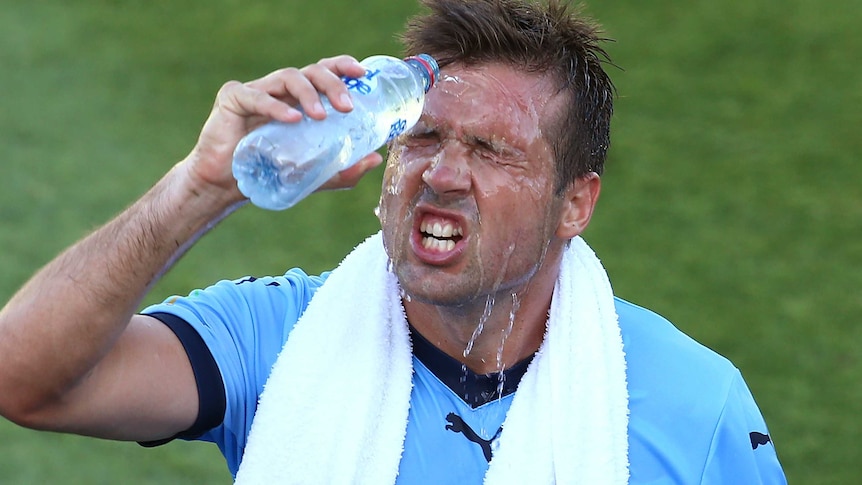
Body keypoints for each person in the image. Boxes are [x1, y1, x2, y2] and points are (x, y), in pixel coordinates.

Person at [0, 0, 786, 483]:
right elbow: (25, 378)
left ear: (574, 203)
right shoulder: (281, 336)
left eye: (489, 150)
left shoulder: (695, 404)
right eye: (422, 137)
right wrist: (200, 186)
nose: (441, 173)